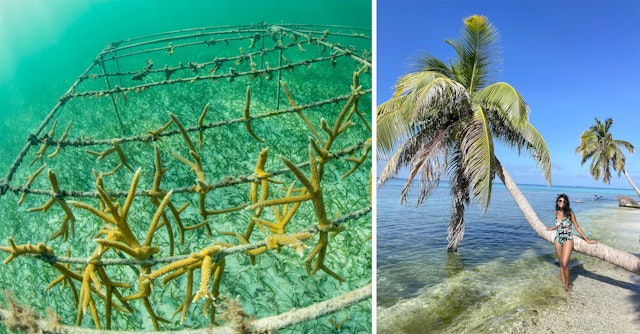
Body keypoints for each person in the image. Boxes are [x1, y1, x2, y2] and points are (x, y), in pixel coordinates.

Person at [546, 193, 596, 291]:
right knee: (561, 263)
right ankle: (563, 282)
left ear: (566, 203)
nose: (562, 202)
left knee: (565, 263)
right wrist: (551, 228)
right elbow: (558, 225)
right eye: (560, 201)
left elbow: (577, 226)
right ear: (557, 202)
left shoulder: (570, 213)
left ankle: (567, 285)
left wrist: (586, 239)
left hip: (568, 238)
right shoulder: (556, 212)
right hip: (558, 239)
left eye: (564, 201)